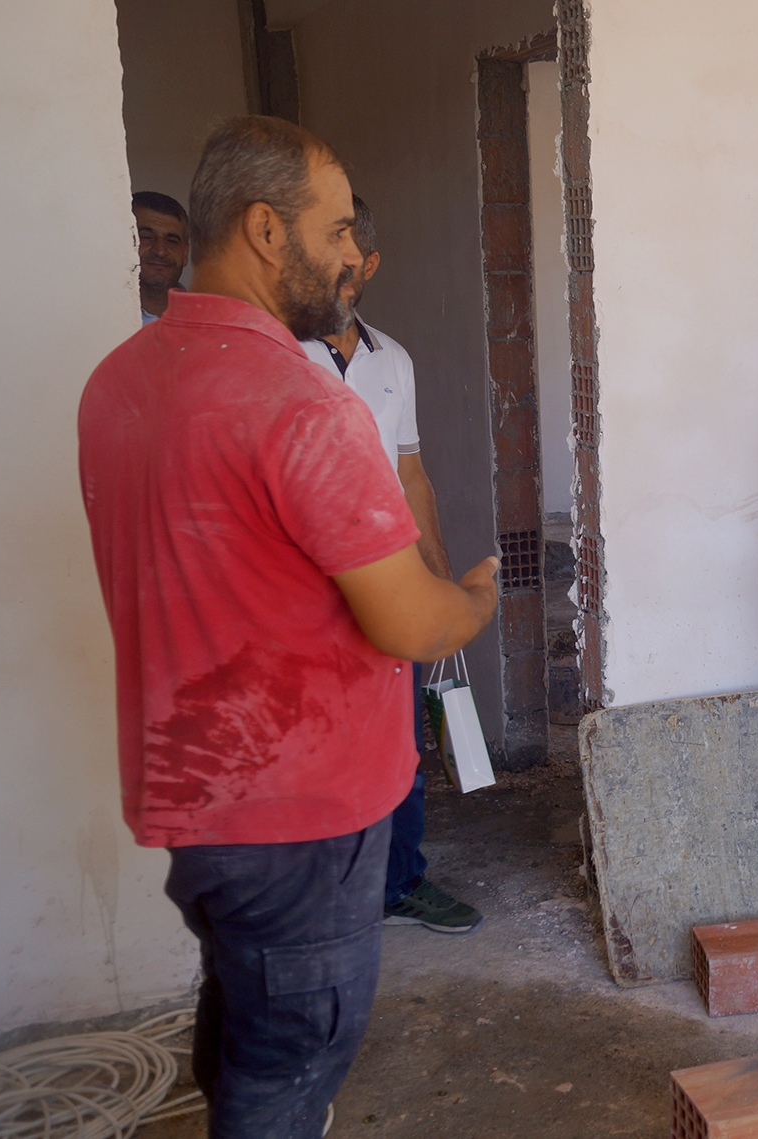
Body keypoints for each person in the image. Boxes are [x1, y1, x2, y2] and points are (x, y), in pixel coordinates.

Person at [78, 116, 500, 1138]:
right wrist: (476, 598)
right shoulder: (299, 402)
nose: (353, 253)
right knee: (292, 1060)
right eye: (338, 228)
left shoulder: (121, 378)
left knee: (243, 1023)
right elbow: (410, 622)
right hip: (298, 809)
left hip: (196, 797)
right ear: (267, 231)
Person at [299, 194, 480, 935]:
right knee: (311, 742)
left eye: (347, 258)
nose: (333, 273)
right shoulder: (276, 355)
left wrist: (439, 578)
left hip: (389, 580)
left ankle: (399, 883)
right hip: (301, 588)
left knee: (397, 742)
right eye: (321, 255)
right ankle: (317, 898)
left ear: (368, 265)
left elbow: (410, 474)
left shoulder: (392, 360)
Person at [132, 190, 188, 323]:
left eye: (171, 241)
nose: (160, 251)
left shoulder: (207, 320)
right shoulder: (98, 318)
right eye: (146, 237)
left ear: (185, 254)